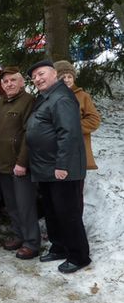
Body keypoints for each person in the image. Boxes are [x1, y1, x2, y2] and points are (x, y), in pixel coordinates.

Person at [26, 60, 90, 273]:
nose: (38, 79)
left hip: (61, 168)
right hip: (46, 167)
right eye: (34, 77)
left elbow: (68, 133)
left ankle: (79, 255)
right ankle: (60, 247)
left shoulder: (61, 97)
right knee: (53, 211)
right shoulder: (46, 97)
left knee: (67, 212)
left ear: (54, 74)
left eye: (41, 74)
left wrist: (62, 165)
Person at [0, 67, 40, 260]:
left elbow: (30, 134)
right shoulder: (1, 103)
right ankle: (19, 235)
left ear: (22, 83)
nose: (9, 84)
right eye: (5, 82)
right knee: (12, 205)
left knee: (25, 205)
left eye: (13, 80)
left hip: (20, 165)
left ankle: (31, 242)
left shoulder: (28, 102)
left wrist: (22, 162)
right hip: (3, 163)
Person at [54, 60, 101, 212]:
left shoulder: (83, 96)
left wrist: (71, 128)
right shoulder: (51, 96)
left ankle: (76, 229)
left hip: (77, 152)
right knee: (59, 194)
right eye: (63, 76)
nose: (66, 79)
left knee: (75, 195)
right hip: (56, 153)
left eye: (69, 76)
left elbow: (94, 120)